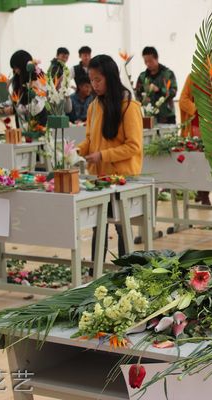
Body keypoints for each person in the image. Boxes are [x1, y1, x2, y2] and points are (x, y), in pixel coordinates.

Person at [78, 54, 143, 260]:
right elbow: (89, 139)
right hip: (99, 179)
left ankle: (127, 272)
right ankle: (96, 270)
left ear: (111, 77)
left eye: (98, 79)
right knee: (99, 225)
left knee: (122, 228)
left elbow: (134, 146)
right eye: (91, 80)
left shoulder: (129, 106)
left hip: (122, 180)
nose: (94, 85)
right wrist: (74, 152)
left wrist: (103, 155)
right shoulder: (94, 106)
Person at [179, 75, 210, 205]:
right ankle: (202, 193)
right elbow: (183, 100)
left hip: (210, 124)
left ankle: (203, 193)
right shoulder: (193, 77)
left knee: (207, 162)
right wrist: (196, 108)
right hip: (195, 124)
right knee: (196, 161)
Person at [0, 50, 47, 130]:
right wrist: (3, 107)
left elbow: (37, 105)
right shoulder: (19, 79)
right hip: (23, 123)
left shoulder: (37, 78)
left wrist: (14, 110)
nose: (15, 71)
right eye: (14, 68)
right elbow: (16, 99)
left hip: (38, 122)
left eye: (17, 68)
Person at [134, 46, 178, 124]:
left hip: (167, 116)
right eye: (145, 61)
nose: (148, 64)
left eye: (150, 61)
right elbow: (137, 94)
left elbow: (173, 92)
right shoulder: (142, 77)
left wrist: (159, 90)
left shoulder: (168, 74)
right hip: (149, 116)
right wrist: (143, 99)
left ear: (156, 58)